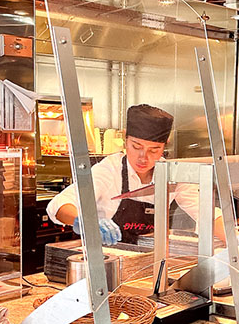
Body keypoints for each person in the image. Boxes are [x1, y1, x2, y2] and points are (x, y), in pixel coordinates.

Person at [46, 104, 225, 246]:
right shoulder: (110, 170)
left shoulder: (171, 173)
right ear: (125, 139)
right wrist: (86, 222)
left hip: (150, 265)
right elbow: (59, 205)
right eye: (136, 147)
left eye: (154, 150)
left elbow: (207, 212)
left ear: (165, 146)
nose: (143, 157)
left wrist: (237, 242)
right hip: (108, 264)